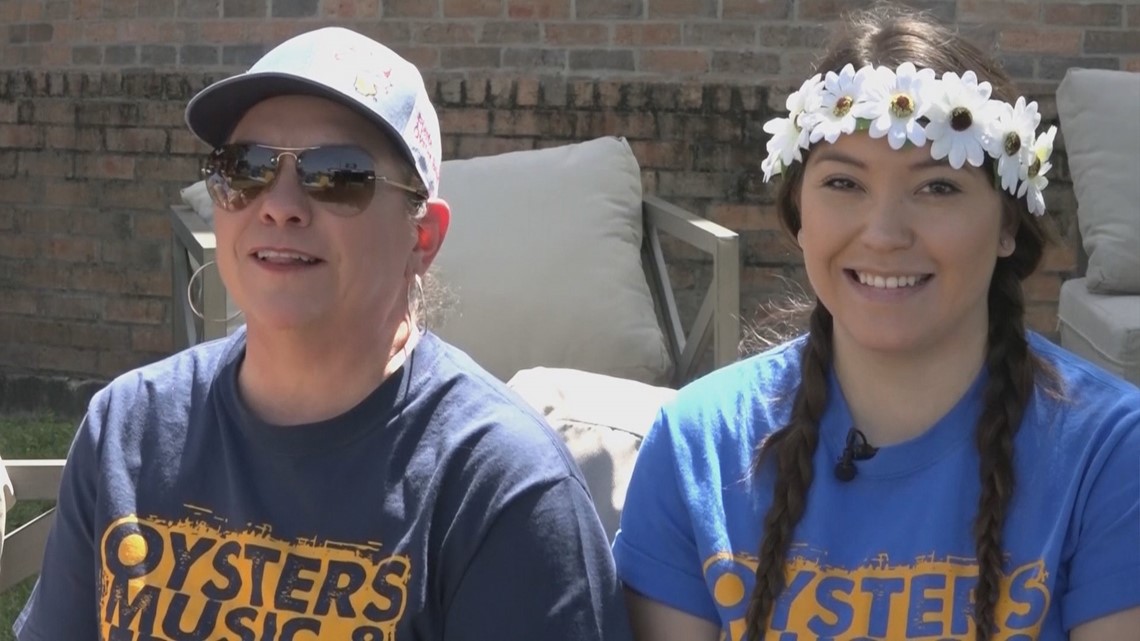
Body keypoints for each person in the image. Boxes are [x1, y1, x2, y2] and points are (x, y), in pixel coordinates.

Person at [15, 27, 632, 641]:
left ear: (422, 238)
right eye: (246, 167)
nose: (279, 205)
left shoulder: (505, 489)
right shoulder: (128, 428)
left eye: (339, 174)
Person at [613, 6, 1140, 641]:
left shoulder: (1111, 454)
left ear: (1006, 225)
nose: (885, 235)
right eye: (844, 182)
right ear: (799, 215)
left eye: (937, 188)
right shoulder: (696, 444)